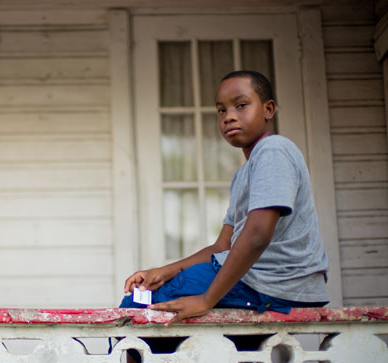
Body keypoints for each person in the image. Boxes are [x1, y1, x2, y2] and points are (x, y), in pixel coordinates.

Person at [120, 70, 329, 326]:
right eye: (221, 110)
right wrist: (164, 271)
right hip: (256, 282)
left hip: (272, 282)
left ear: (268, 109)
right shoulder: (244, 173)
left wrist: (206, 299)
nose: (229, 116)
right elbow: (223, 246)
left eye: (241, 106)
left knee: (137, 306)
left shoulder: (274, 150)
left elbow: (257, 234)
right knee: (216, 355)